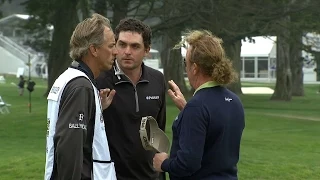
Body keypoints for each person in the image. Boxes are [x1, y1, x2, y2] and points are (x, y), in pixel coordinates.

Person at [153, 30, 245, 180]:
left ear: (194, 68)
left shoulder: (197, 107)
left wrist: (163, 163)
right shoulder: (234, 101)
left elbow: (187, 164)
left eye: (186, 62)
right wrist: (186, 110)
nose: (186, 67)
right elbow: (214, 132)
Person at [44, 13, 118, 180]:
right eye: (112, 45)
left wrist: (95, 108)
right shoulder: (81, 87)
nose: (116, 52)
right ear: (94, 49)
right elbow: (69, 148)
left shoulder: (69, 78)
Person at [96, 18, 166, 180]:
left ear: (147, 50)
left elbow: (159, 130)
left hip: (150, 175)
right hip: (111, 175)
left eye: (135, 46)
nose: (127, 51)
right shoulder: (99, 79)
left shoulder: (157, 80)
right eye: (122, 44)